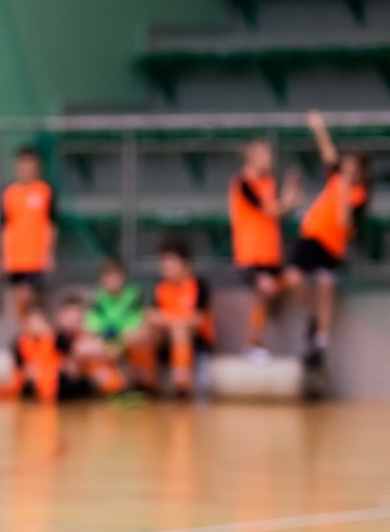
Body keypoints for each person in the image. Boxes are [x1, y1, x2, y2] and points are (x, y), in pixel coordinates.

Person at [284, 111, 371, 389]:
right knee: (294, 277)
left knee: (325, 291)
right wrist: (319, 127)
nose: (347, 170)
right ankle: (311, 313)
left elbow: (345, 222)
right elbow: (328, 152)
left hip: (332, 247)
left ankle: (320, 344)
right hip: (312, 237)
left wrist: (345, 191)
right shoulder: (336, 177)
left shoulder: (358, 196)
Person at [228, 137, 301, 358]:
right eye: (266, 154)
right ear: (252, 157)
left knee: (295, 279)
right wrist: (288, 201)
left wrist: (287, 199)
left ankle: (312, 332)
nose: (270, 159)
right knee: (265, 288)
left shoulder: (268, 182)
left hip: (271, 255)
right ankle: (252, 342)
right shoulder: (243, 182)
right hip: (251, 255)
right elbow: (270, 210)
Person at [143, 237, 214, 399]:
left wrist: (170, 320)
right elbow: (151, 316)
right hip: (166, 338)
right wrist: (171, 320)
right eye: (163, 263)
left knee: (180, 329)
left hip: (196, 340)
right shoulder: (160, 286)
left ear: (185, 264)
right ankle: (145, 384)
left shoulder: (198, 285)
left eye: (171, 263)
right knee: (143, 332)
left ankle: (181, 386)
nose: (165, 267)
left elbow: (197, 319)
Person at [2, 145, 56, 323]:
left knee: (30, 298)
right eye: (23, 165)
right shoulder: (10, 193)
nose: (26, 169)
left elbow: (51, 225)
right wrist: (5, 256)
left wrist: (49, 254)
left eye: (30, 165)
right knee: (20, 299)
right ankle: (25, 336)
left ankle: (34, 336)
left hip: (36, 258)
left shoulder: (45, 191)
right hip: (16, 259)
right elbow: (6, 227)